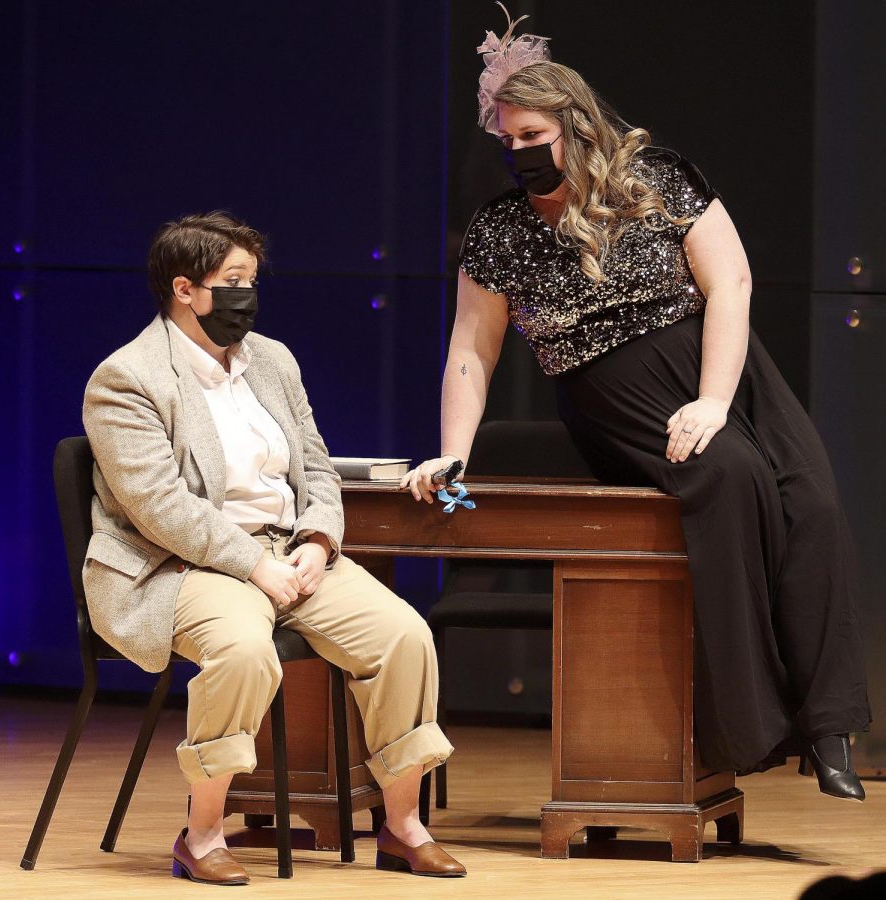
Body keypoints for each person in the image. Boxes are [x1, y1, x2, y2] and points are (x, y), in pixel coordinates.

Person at [402, 6, 870, 799]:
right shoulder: (500, 231)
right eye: (506, 140)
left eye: (533, 138)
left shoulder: (659, 180)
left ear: (576, 126)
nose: (517, 154)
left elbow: (732, 284)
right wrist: (454, 452)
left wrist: (715, 398)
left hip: (723, 371)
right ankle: (754, 725)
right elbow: (469, 355)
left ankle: (830, 726)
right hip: (614, 392)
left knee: (812, 504)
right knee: (731, 481)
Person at [83, 212, 466, 884]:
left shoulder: (273, 361)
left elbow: (315, 467)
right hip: (186, 562)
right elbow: (159, 507)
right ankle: (201, 836)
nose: (247, 298)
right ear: (184, 289)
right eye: (232, 282)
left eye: (252, 281)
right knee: (241, 650)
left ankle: (402, 828)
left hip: (290, 550)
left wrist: (318, 540)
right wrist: (254, 565)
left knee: (403, 635)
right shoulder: (127, 378)